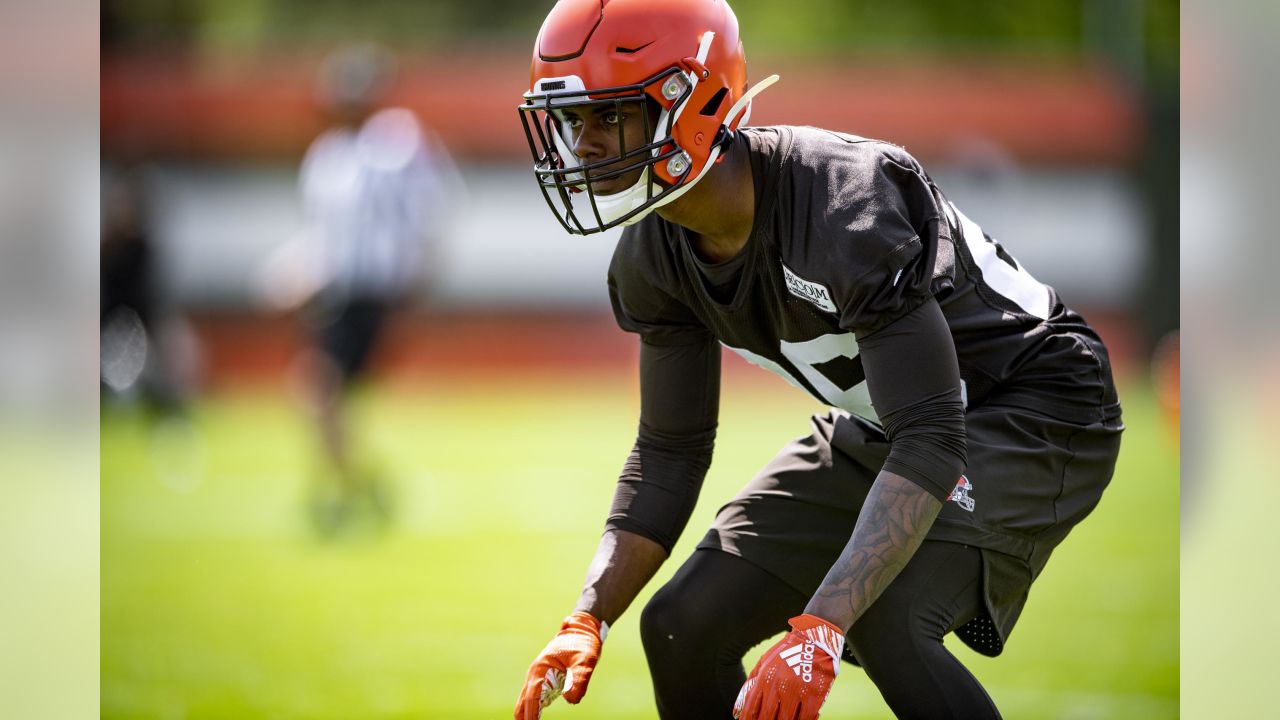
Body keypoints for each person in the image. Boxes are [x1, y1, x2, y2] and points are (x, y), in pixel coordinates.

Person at [512, 1, 1123, 718]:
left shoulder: (843, 203)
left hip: (1033, 405)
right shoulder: (654, 256)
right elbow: (670, 452)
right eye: (571, 121)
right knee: (683, 625)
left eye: (607, 116)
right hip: (893, 421)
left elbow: (931, 435)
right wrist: (589, 614)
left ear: (694, 102)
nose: (582, 145)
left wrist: (821, 627)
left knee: (887, 617)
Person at [273, 44, 461, 533]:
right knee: (323, 395)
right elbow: (322, 233)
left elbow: (432, 211)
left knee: (318, 389)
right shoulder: (327, 156)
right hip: (336, 293)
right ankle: (356, 486)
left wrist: (417, 276)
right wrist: (295, 271)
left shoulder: (397, 142)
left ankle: (347, 489)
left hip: (373, 293)